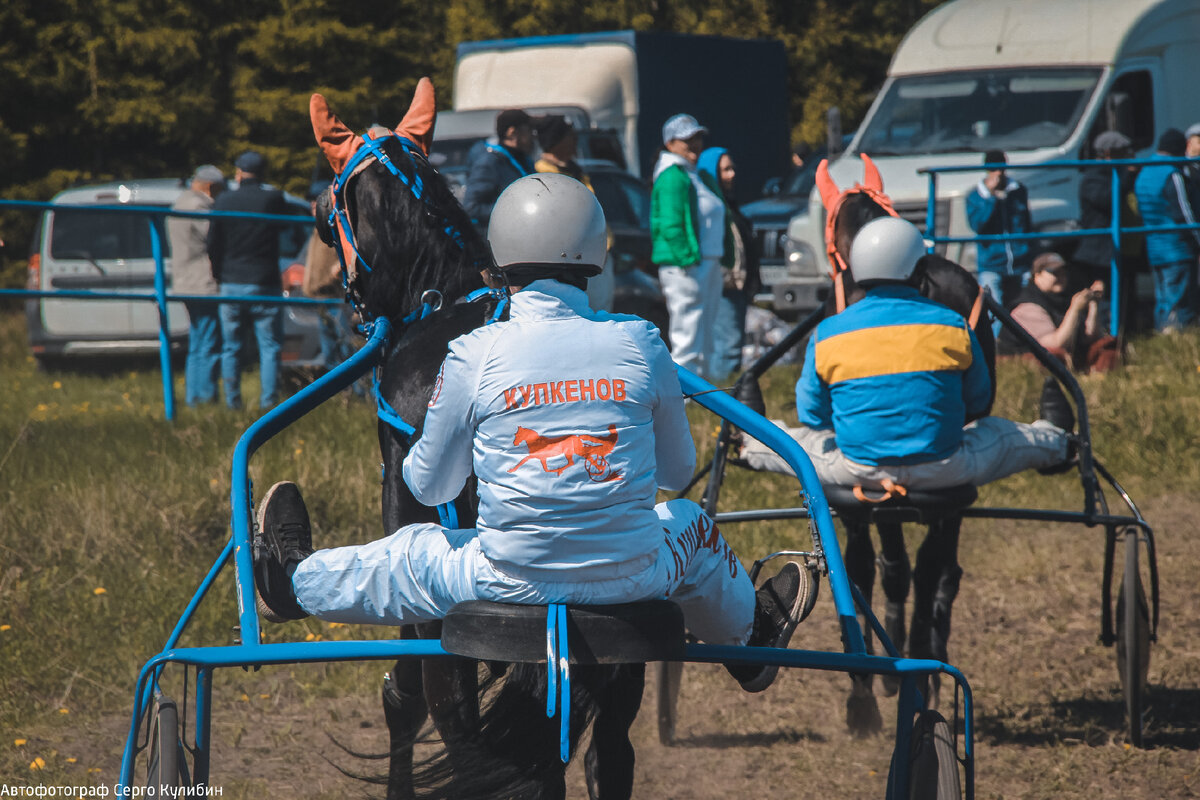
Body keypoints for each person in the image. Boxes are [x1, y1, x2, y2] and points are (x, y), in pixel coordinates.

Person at [251, 174, 805, 693]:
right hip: (635, 576)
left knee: (410, 553)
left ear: (499, 253)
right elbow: (677, 475)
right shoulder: (641, 339)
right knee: (692, 525)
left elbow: (429, 490)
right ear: (595, 251)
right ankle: (749, 645)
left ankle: (290, 583)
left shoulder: (473, 352)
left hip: (506, 576)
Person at [740, 216, 1075, 489]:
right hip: (945, 466)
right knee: (1006, 436)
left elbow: (812, 414)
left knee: (790, 442)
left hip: (855, 468)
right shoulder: (953, 326)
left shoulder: (828, 334)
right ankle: (1060, 442)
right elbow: (978, 403)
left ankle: (748, 445)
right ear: (920, 269)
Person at [207, 150, 288, 410]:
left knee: (230, 347)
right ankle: (269, 405)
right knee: (269, 347)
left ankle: (233, 403)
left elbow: (213, 243)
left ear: (239, 172)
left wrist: (219, 273)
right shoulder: (273, 199)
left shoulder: (224, 200)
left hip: (231, 281)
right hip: (265, 281)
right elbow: (286, 228)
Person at [651, 113, 729, 380]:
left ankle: (703, 395)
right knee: (688, 336)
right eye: (687, 139)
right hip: (686, 266)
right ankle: (683, 397)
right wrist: (688, 261)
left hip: (706, 263)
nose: (694, 144)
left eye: (697, 138)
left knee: (704, 334)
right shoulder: (672, 175)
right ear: (670, 143)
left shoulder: (693, 174)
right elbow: (670, 225)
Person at [534, 115, 614, 312]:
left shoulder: (575, 169)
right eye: (570, 135)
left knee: (602, 311)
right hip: (575, 259)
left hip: (599, 252)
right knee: (583, 313)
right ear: (556, 139)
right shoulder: (544, 174)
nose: (575, 140)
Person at [998, 252, 1119, 373]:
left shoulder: (1062, 298)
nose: (1061, 276)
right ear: (1036, 275)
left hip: (1064, 360)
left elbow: (1090, 338)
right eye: (1054, 272)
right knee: (1054, 355)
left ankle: (1099, 379)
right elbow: (1056, 345)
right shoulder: (1027, 306)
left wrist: (1094, 304)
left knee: (1108, 347)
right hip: (1021, 365)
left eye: (1063, 272)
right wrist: (1075, 309)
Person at [698, 146, 760, 382]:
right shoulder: (712, 209)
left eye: (732, 168)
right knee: (727, 348)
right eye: (725, 169)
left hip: (736, 286)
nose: (732, 174)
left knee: (730, 346)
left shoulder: (728, 206)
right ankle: (722, 400)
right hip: (725, 286)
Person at [168, 165, 225, 406]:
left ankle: (194, 396)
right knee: (208, 342)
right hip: (202, 281)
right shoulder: (200, 207)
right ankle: (205, 396)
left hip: (183, 280)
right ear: (210, 186)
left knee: (197, 341)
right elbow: (212, 239)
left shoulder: (178, 203)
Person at [1074, 130, 1142, 333]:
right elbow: (1107, 200)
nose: (1129, 156)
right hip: (1100, 251)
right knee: (1104, 297)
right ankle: (1106, 336)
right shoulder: (1093, 177)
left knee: (1124, 294)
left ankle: (1124, 334)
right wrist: (1128, 175)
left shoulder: (1112, 173)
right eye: (1123, 152)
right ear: (1108, 153)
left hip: (1119, 246)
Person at [1133, 128, 1200, 332]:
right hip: (1177, 248)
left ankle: (1163, 342)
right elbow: (1185, 213)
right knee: (1181, 304)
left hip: (1155, 248)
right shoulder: (1172, 174)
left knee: (1163, 301)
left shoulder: (1144, 171)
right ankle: (1178, 346)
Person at [966, 149, 1034, 331]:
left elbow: (1027, 224)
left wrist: (1029, 253)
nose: (998, 173)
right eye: (994, 169)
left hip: (1020, 261)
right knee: (992, 307)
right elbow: (977, 224)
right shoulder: (975, 196)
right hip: (991, 263)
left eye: (1001, 168)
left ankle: (1028, 342)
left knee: (1030, 303)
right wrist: (990, 198)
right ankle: (995, 345)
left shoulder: (1018, 191)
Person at [300, 180, 352, 373]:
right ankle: (341, 391)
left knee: (344, 344)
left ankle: (356, 391)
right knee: (329, 346)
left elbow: (351, 251)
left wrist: (338, 270)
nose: (313, 205)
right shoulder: (318, 226)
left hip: (335, 294)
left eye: (317, 201)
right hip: (319, 295)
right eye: (311, 201)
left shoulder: (338, 225)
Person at [462, 108, 535, 231]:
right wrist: (515, 210)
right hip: (500, 242)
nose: (533, 136)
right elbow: (472, 208)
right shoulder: (489, 162)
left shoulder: (525, 161)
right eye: (529, 130)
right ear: (512, 132)